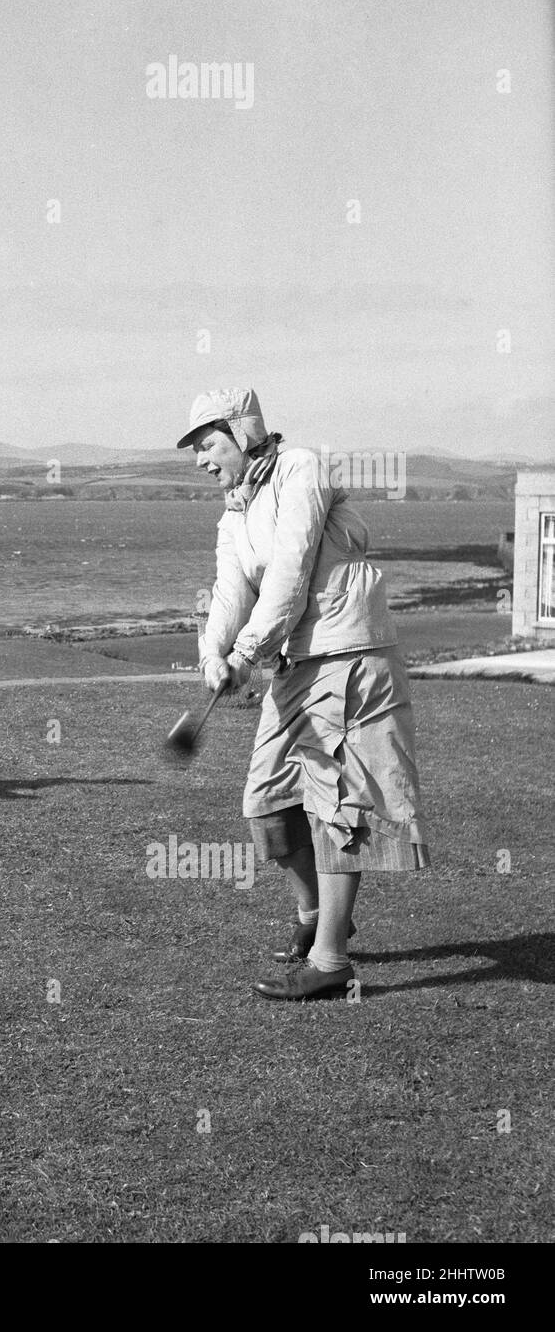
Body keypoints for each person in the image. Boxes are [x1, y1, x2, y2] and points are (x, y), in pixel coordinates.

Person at [178, 388, 429, 1000]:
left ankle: (331, 960)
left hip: (349, 657)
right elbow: (231, 590)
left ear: (241, 432)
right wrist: (215, 653)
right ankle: (317, 917)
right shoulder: (234, 511)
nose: (202, 460)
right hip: (295, 665)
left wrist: (246, 653)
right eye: (196, 450)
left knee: (341, 810)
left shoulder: (301, 470)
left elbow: (289, 574)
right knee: (265, 799)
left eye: (208, 444)